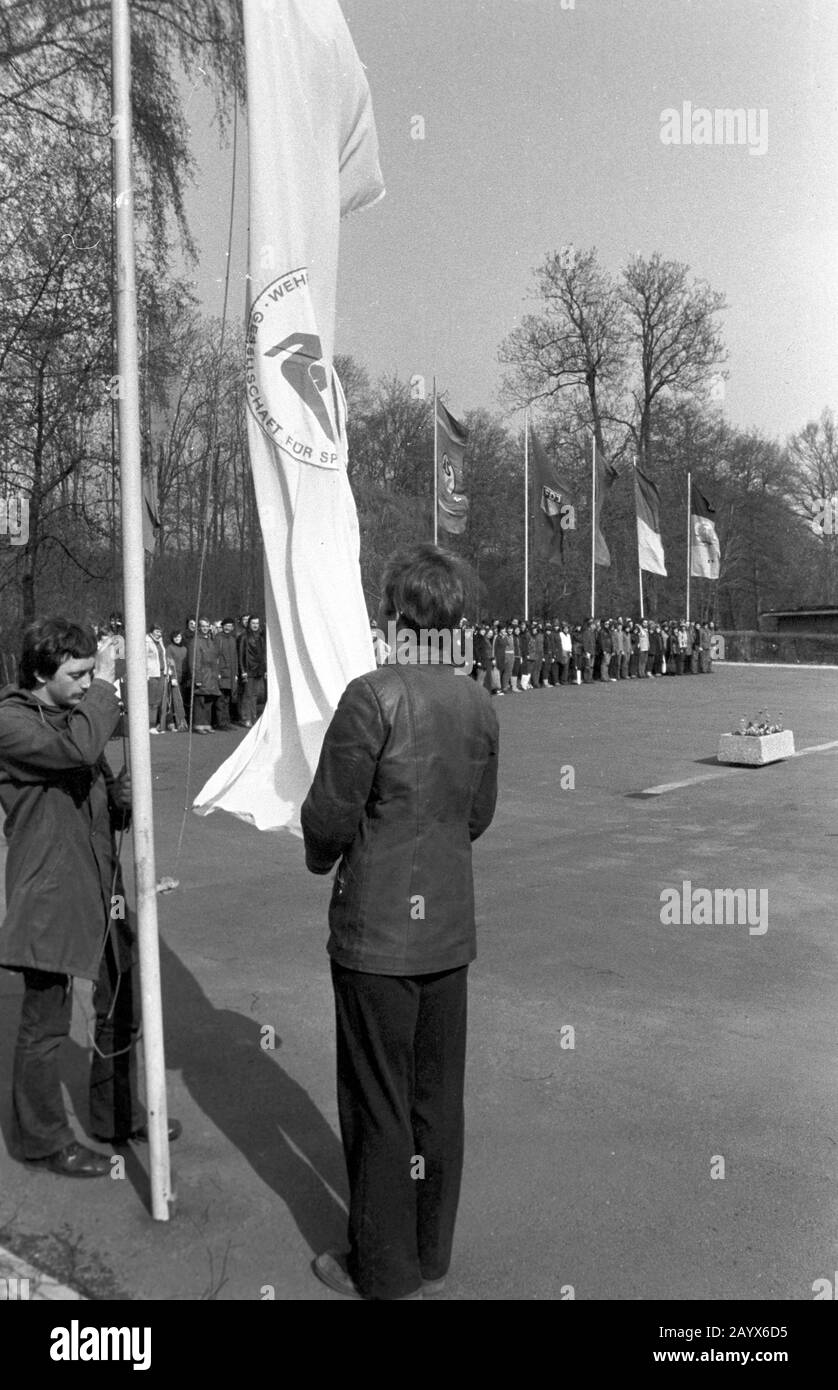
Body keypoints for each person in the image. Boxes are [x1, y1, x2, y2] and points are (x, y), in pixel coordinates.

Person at [301, 543, 499, 1301]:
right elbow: (476, 816)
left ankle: (382, 1270)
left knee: (378, 1104)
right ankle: (428, 1250)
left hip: (378, 936)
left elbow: (330, 813)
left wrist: (325, 856)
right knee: (434, 1100)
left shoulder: (370, 696)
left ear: (395, 617)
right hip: (447, 934)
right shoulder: (478, 702)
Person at [0, 618, 181, 1175]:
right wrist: (105, 682)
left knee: (122, 998)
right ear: (39, 673)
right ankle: (42, 1139)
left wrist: (122, 798)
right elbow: (76, 751)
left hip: (101, 882)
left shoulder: (72, 717)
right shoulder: (10, 721)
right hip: (50, 888)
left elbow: (92, 789)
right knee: (45, 1023)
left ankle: (114, 1114)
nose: (84, 684)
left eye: (87, 674)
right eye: (75, 675)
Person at [190, 617, 220, 732]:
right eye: (203, 626)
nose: (205, 629)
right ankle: (198, 724)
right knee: (200, 700)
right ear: (199, 627)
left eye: (207, 626)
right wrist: (197, 677)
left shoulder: (211, 640)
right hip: (201, 673)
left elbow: (215, 658)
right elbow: (194, 661)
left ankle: (207, 723)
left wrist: (216, 673)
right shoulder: (196, 641)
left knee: (209, 700)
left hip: (211, 674)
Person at [237, 616, 267, 727]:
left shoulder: (260, 637)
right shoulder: (244, 637)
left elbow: (263, 654)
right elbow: (241, 655)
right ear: (249, 624)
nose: (255, 625)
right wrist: (243, 670)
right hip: (248, 669)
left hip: (258, 669)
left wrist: (264, 669)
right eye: (253, 623)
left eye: (257, 623)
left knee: (255, 695)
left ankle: (253, 717)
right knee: (247, 695)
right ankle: (246, 718)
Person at [215, 619, 238, 730]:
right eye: (226, 625)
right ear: (223, 626)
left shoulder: (233, 639)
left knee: (228, 698)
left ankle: (227, 721)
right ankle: (221, 723)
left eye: (230, 626)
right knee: (221, 698)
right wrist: (217, 672)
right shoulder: (218, 638)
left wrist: (236, 673)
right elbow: (216, 656)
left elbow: (235, 657)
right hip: (222, 672)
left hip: (231, 673)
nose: (228, 628)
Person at [145, 622, 168, 733]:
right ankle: (150, 725)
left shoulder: (160, 641)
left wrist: (167, 671)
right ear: (152, 631)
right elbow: (143, 658)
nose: (159, 634)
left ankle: (156, 723)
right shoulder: (147, 641)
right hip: (152, 674)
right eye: (157, 631)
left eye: (160, 632)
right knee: (151, 701)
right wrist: (146, 674)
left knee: (158, 701)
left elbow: (163, 656)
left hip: (161, 673)